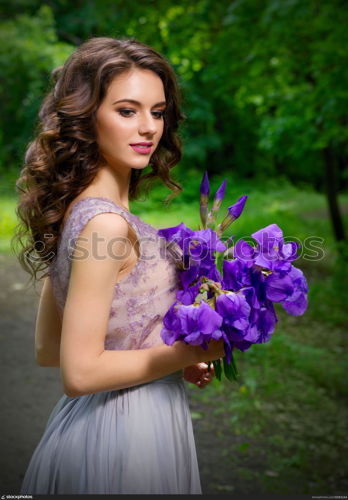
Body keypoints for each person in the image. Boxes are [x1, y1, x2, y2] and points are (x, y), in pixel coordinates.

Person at [13, 37, 225, 494]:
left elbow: (50, 348)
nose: (148, 127)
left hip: (97, 425)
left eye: (158, 111)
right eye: (127, 111)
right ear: (87, 117)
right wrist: (195, 351)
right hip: (127, 436)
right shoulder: (105, 226)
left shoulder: (78, 211)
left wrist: (168, 355)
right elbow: (80, 373)